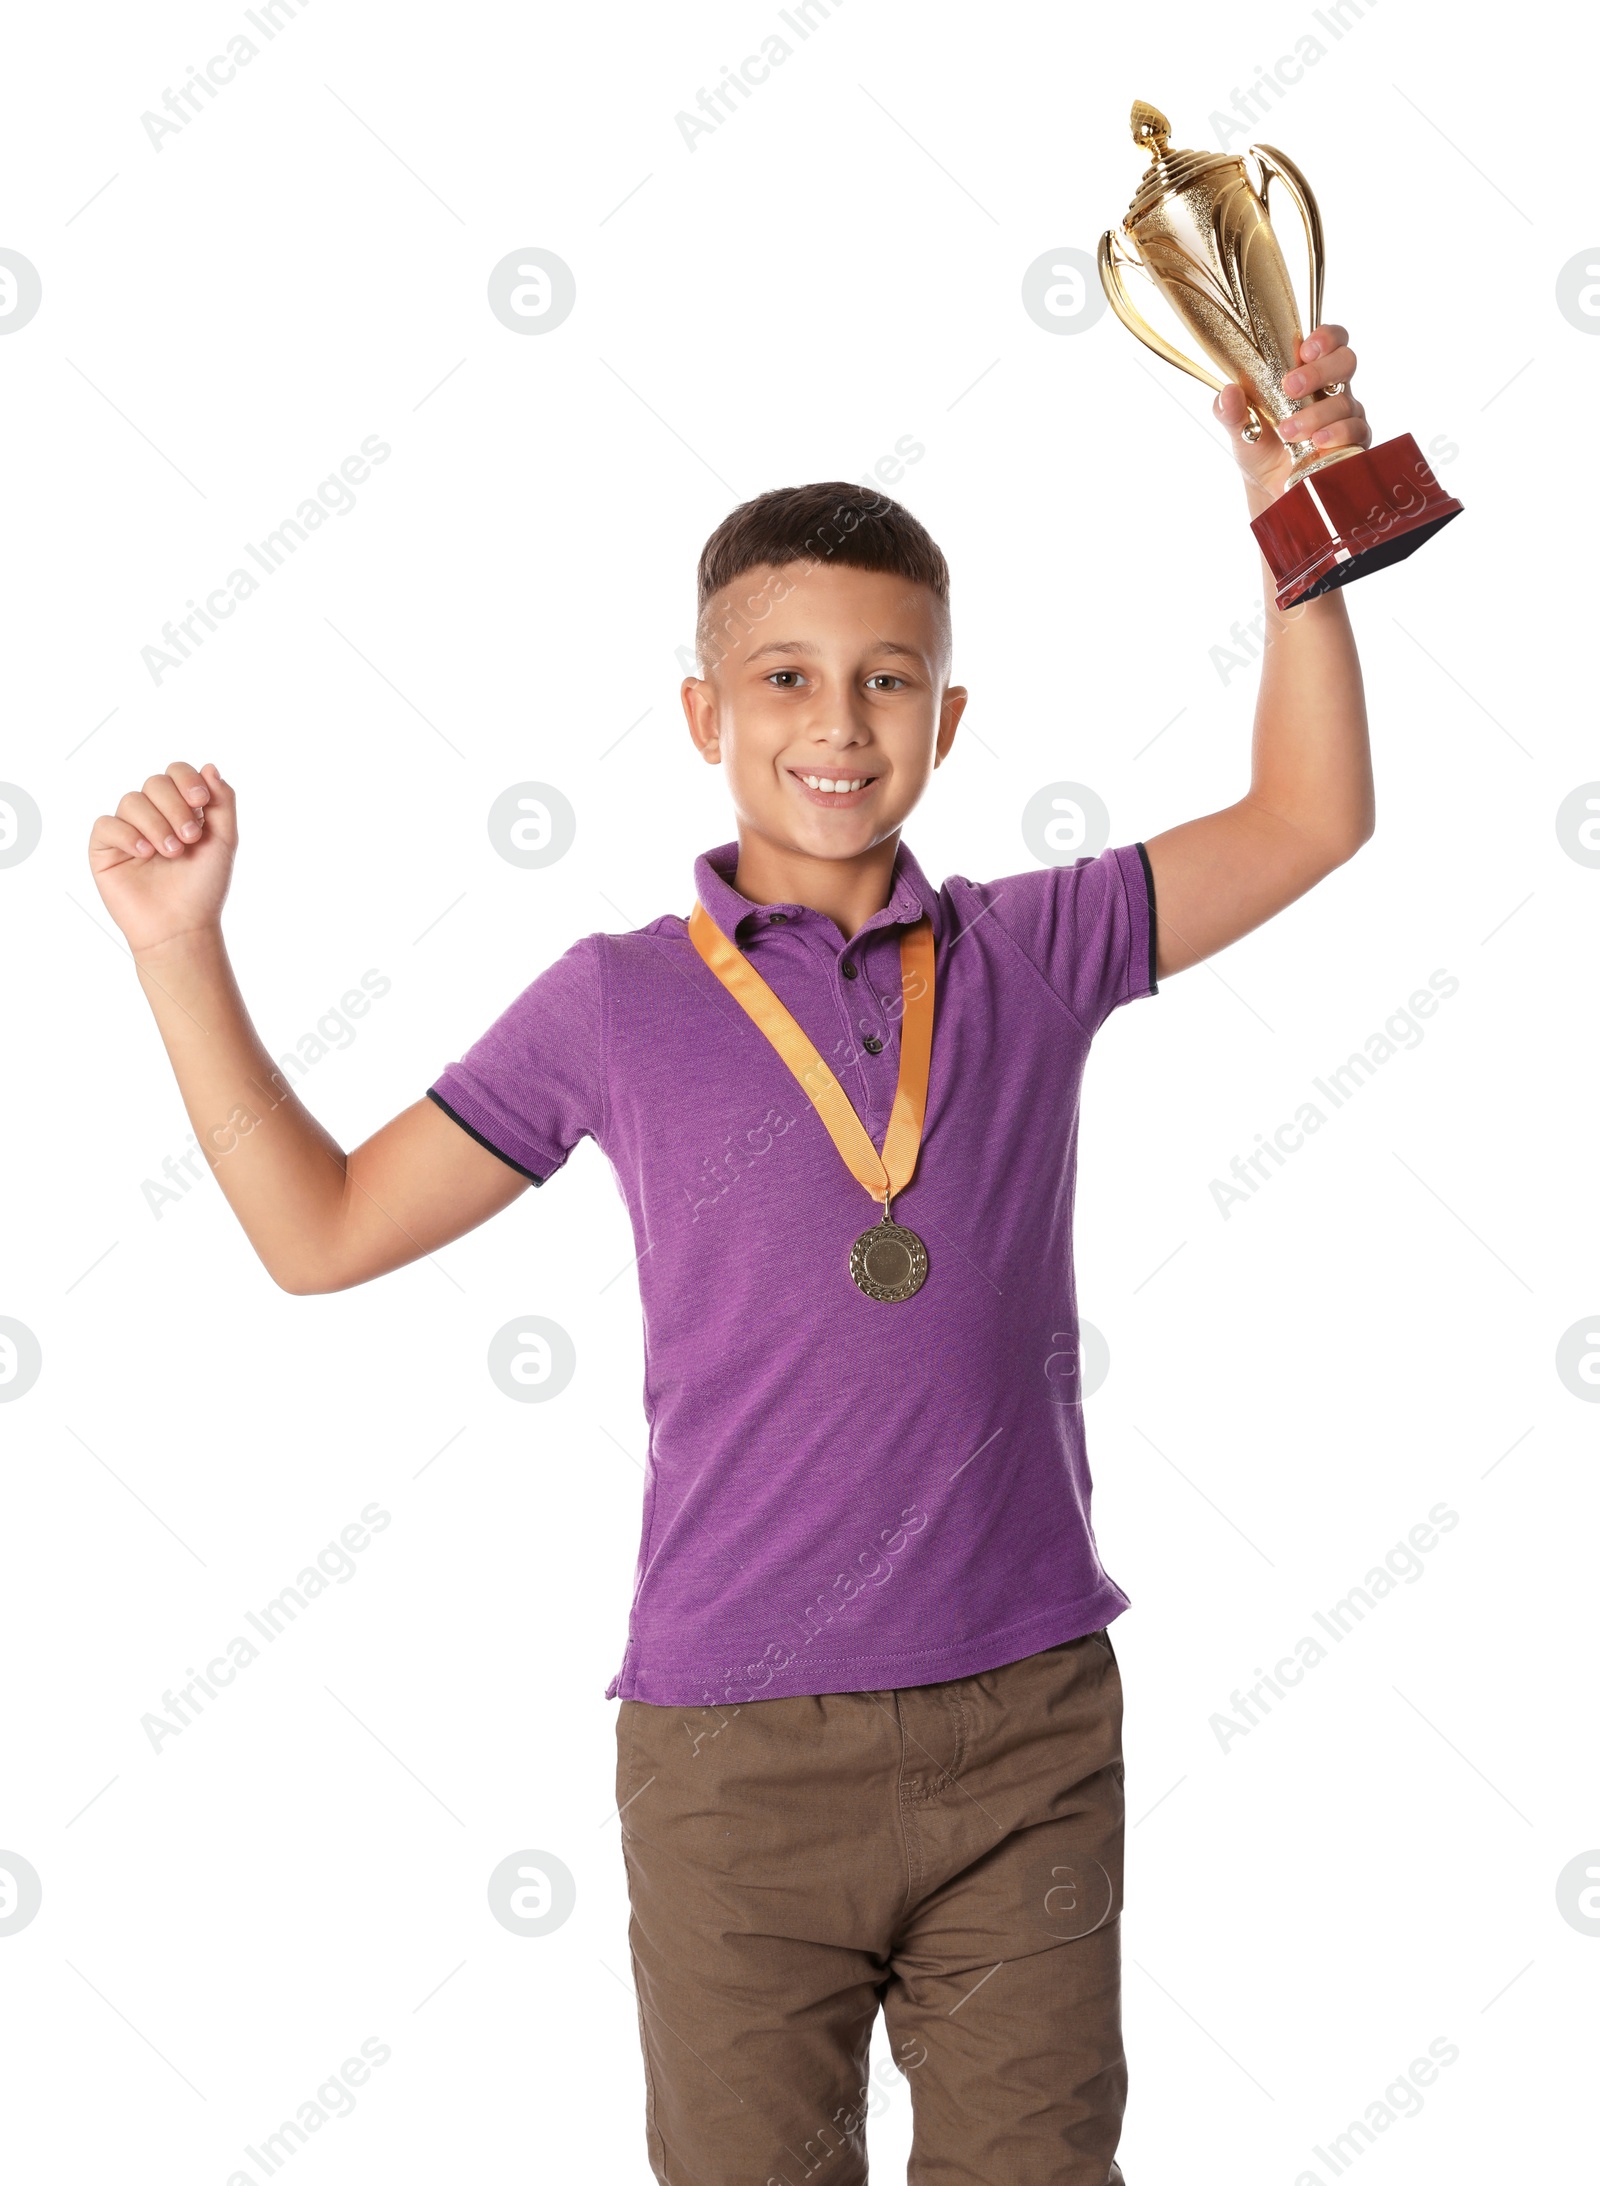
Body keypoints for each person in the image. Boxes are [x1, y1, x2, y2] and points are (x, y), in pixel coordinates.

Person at [89, 328, 1373, 2184]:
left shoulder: (1033, 947)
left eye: (886, 681)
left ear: (948, 717)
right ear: (702, 714)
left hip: (1024, 1726)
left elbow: (1311, 817)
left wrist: (1300, 535)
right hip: (730, 1761)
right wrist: (176, 949)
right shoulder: (614, 1006)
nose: (837, 724)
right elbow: (322, 1229)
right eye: (784, 678)